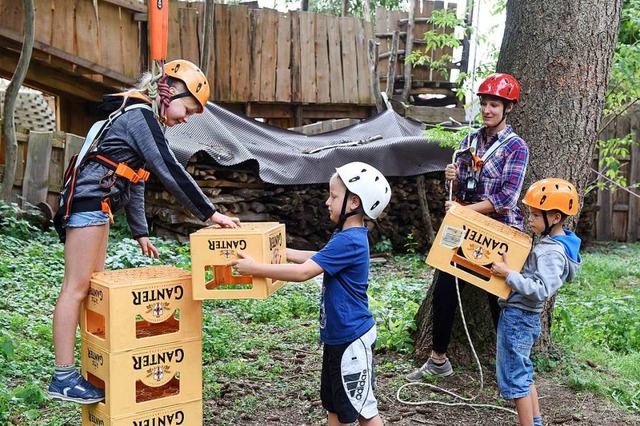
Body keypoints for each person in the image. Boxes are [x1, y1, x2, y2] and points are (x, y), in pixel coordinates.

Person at [48, 59, 239, 404]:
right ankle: (62, 376)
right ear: (170, 92)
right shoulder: (140, 116)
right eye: (189, 110)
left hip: (99, 207)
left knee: (91, 287)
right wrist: (210, 213)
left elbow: (135, 178)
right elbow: (168, 168)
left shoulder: (144, 119)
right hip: (88, 203)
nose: (185, 119)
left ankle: (93, 363)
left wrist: (140, 233)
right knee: (75, 288)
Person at [230, 162, 390, 426]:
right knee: (334, 406)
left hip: (351, 339)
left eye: (334, 196)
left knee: (363, 409)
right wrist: (283, 253)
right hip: (340, 337)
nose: (327, 202)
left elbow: (305, 272)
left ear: (354, 203)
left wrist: (255, 268)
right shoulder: (346, 236)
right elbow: (318, 257)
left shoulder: (349, 240)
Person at [406, 73, 529, 380]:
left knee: (498, 299)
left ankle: (511, 370)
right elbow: (462, 188)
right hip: (465, 225)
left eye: (495, 105)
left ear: (508, 108)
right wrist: (453, 178)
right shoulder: (469, 141)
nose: (488, 110)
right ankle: (438, 360)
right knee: (445, 288)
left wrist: (464, 212)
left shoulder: (516, 147)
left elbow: (506, 198)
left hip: (499, 231)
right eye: (485, 103)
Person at [490, 178, 582, 426]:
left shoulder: (552, 252)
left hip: (519, 317)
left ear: (554, 217)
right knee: (523, 374)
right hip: (520, 316)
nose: (529, 218)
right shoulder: (553, 245)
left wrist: (508, 275)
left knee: (515, 378)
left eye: (534, 214)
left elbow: (541, 289)